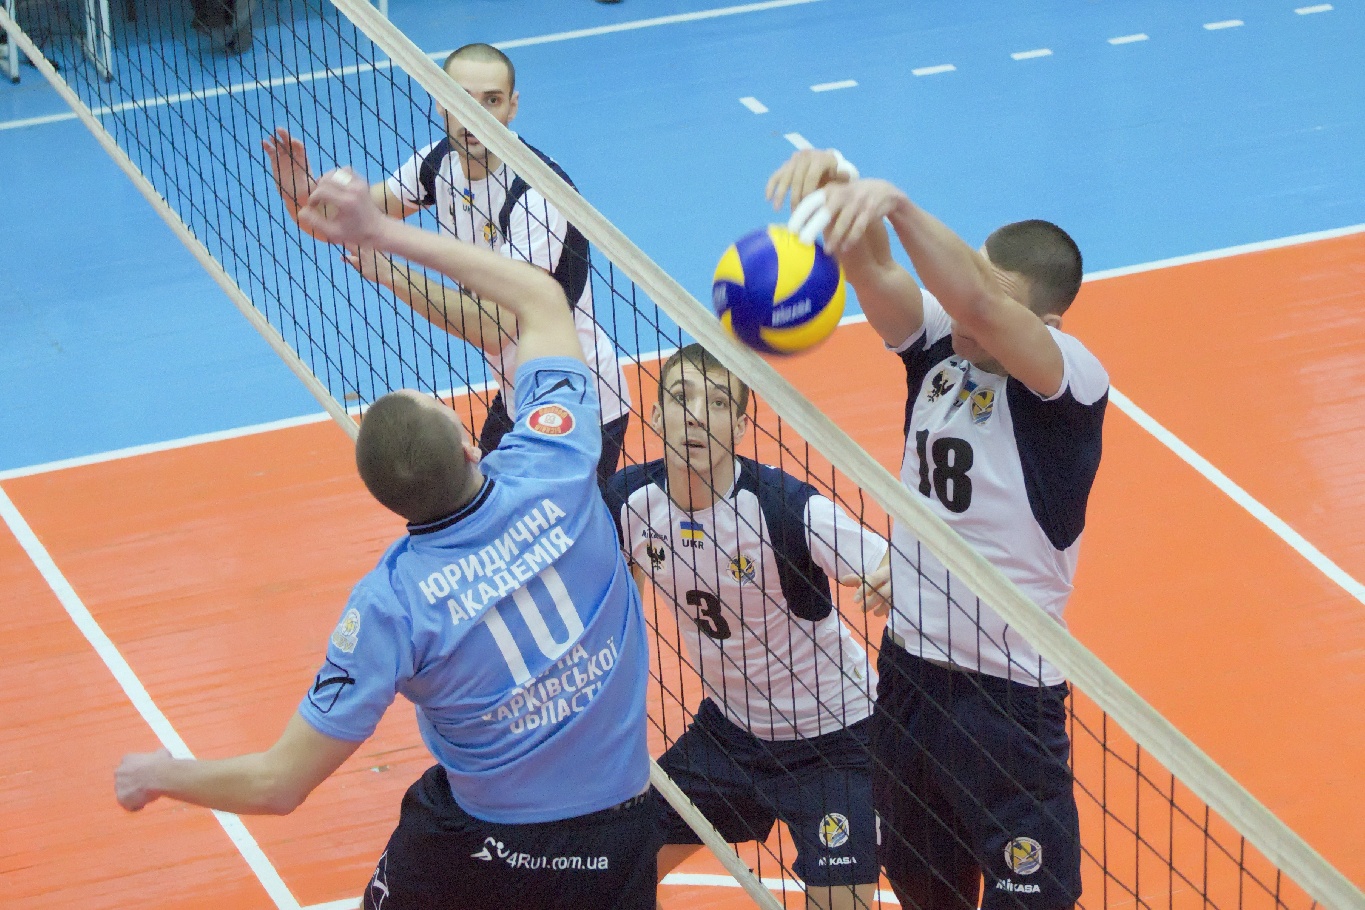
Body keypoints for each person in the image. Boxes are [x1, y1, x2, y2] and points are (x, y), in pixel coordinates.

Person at [115, 168, 658, 910]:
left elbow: (278, 784)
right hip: (617, 837)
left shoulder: (391, 606)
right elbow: (539, 298)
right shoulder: (558, 461)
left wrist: (158, 773)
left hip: (481, 845)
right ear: (470, 444)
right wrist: (382, 232)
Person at [767, 151, 1109, 910]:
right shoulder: (939, 351)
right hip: (909, 680)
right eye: (967, 277)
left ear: (1045, 326)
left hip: (1007, 702)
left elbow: (978, 304)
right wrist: (842, 192)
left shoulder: (1068, 382)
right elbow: (875, 272)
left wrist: (895, 202)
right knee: (925, 889)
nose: (959, 309)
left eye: (984, 295)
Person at [263, 43, 632, 488]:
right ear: (440, 100)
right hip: (518, 394)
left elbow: (494, 327)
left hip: (577, 407)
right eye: (462, 98)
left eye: (491, 100)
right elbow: (340, 222)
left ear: (512, 106)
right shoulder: (437, 163)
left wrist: (392, 273)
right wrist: (301, 193)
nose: (474, 116)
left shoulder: (537, 196)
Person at [604, 344, 889, 910]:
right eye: (680, 397)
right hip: (729, 735)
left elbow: (894, 561)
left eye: (716, 403)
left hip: (835, 742)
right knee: (610, 875)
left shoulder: (786, 508)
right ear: (655, 415)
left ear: (739, 427)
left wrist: (893, 576)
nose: (695, 416)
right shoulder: (628, 503)